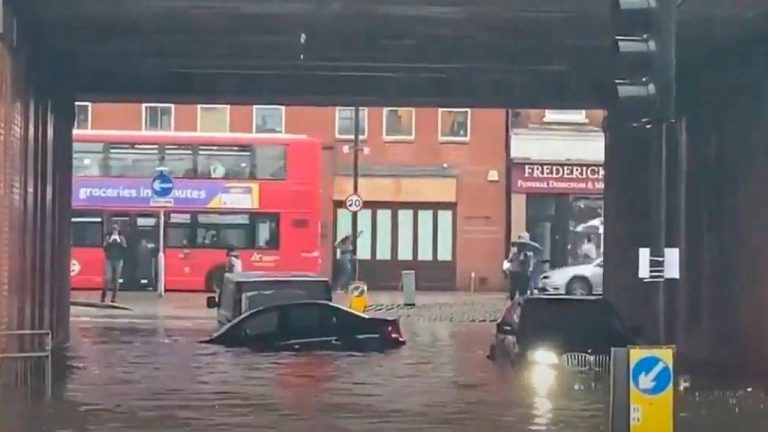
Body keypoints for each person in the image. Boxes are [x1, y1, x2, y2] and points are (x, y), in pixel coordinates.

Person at [504, 232, 535, 299]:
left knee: (523, 292)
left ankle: (522, 302)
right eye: (520, 244)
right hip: (514, 272)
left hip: (524, 274)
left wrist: (524, 259)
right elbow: (508, 261)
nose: (520, 246)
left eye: (523, 245)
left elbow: (529, 267)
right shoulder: (514, 252)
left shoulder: (529, 255)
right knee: (513, 290)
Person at [102, 224, 127, 303]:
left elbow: (125, 248)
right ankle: (103, 296)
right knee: (107, 278)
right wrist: (109, 241)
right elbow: (104, 249)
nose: (115, 231)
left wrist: (119, 241)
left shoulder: (121, 238)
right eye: (113, 230)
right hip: (109, 260)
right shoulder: (108, 238)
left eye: (116, 230)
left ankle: (114, 298)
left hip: (118, 260)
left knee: (116, 279)